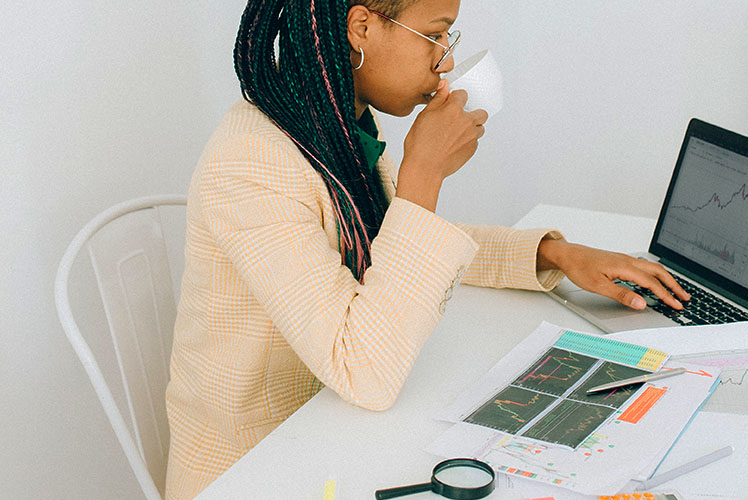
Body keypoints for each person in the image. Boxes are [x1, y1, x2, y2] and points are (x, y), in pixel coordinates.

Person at [164, 0, 689, 498]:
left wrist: (554, 255)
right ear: (361, 28)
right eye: (435, 35)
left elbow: (392, 244)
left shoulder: (333, 121)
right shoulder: (253, 164)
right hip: (259, 467)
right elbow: (365, 372)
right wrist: (423, 174)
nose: (447, 60)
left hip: (333, 435)